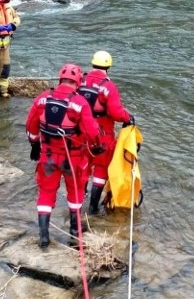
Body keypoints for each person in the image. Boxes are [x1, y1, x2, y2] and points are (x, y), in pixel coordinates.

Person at [25, 63, 105, 249]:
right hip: (73, 159)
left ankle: (44, 238)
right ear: (78, 82)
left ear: (60, 79)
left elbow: (30, 126)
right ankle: (75, 234)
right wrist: (98, 147)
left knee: (45, 194)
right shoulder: (79, 103)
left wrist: (34, 144)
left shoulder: (43, 98)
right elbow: (92, 131)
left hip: (48, 157)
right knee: (75, 194)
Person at [78, 50, 134, 215]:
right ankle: (93, 208)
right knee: (101, 169)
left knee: (83, 166)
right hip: (103, 133)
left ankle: (77, 201)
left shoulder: (80, 80)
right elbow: (116, 113)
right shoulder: (108, 86)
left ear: (92, 62)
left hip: (82, 132)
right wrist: (128, 117)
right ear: (109, 66)